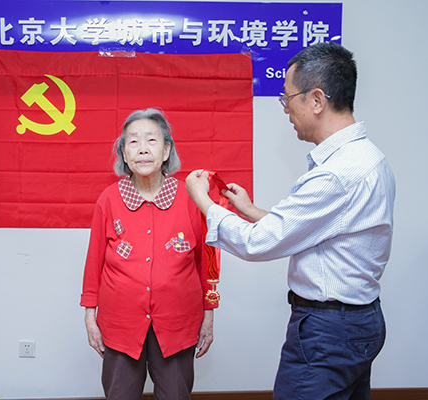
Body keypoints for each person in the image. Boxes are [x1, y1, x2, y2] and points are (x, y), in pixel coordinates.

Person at [186, 42, 395, 399]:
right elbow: (322, 230)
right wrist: (251, 211)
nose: (285, 109)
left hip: (329, 331)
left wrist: (204, 202)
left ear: (316, 100)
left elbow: (257, 244)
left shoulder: (336, 175)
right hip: (359, 320)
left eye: (287, 98)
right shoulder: (369, 158)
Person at [81, 108, 217, 400]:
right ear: (124, 153)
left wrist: (209, 314)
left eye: (152, 140)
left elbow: (205, 262)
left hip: (178, 323)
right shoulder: (108, 199)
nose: (143, 149)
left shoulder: (191, 197)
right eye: (133, 142)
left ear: (166, 150)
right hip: (120, 324)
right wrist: (90, 315)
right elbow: (94, 262)